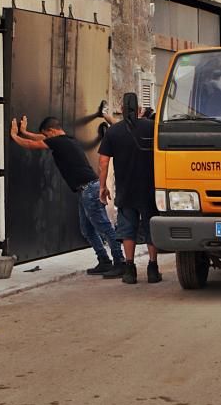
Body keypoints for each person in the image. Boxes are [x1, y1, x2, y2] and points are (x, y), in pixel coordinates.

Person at [10, 115, 126, 277]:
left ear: (52, 131)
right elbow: (41, 138)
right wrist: (25, 131)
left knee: (104, 227)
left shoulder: (58, 141)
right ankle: (104, 260)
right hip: (86, 190)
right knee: (87, 230)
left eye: (47, 135)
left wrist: (15, 136)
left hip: (89, 190)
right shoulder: (66, 139)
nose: (46, 138)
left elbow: (32, 143)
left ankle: (120, 262)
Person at [98, 93, 160, 285]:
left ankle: (130, 269)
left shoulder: (114, 132)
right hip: (151, 188)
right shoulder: (152, 128)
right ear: (140, 109)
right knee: (152, 227)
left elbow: (103, 162)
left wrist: (103, 187)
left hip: (126, 189)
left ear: (122, 110)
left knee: (127, 230)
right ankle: (152, 268)